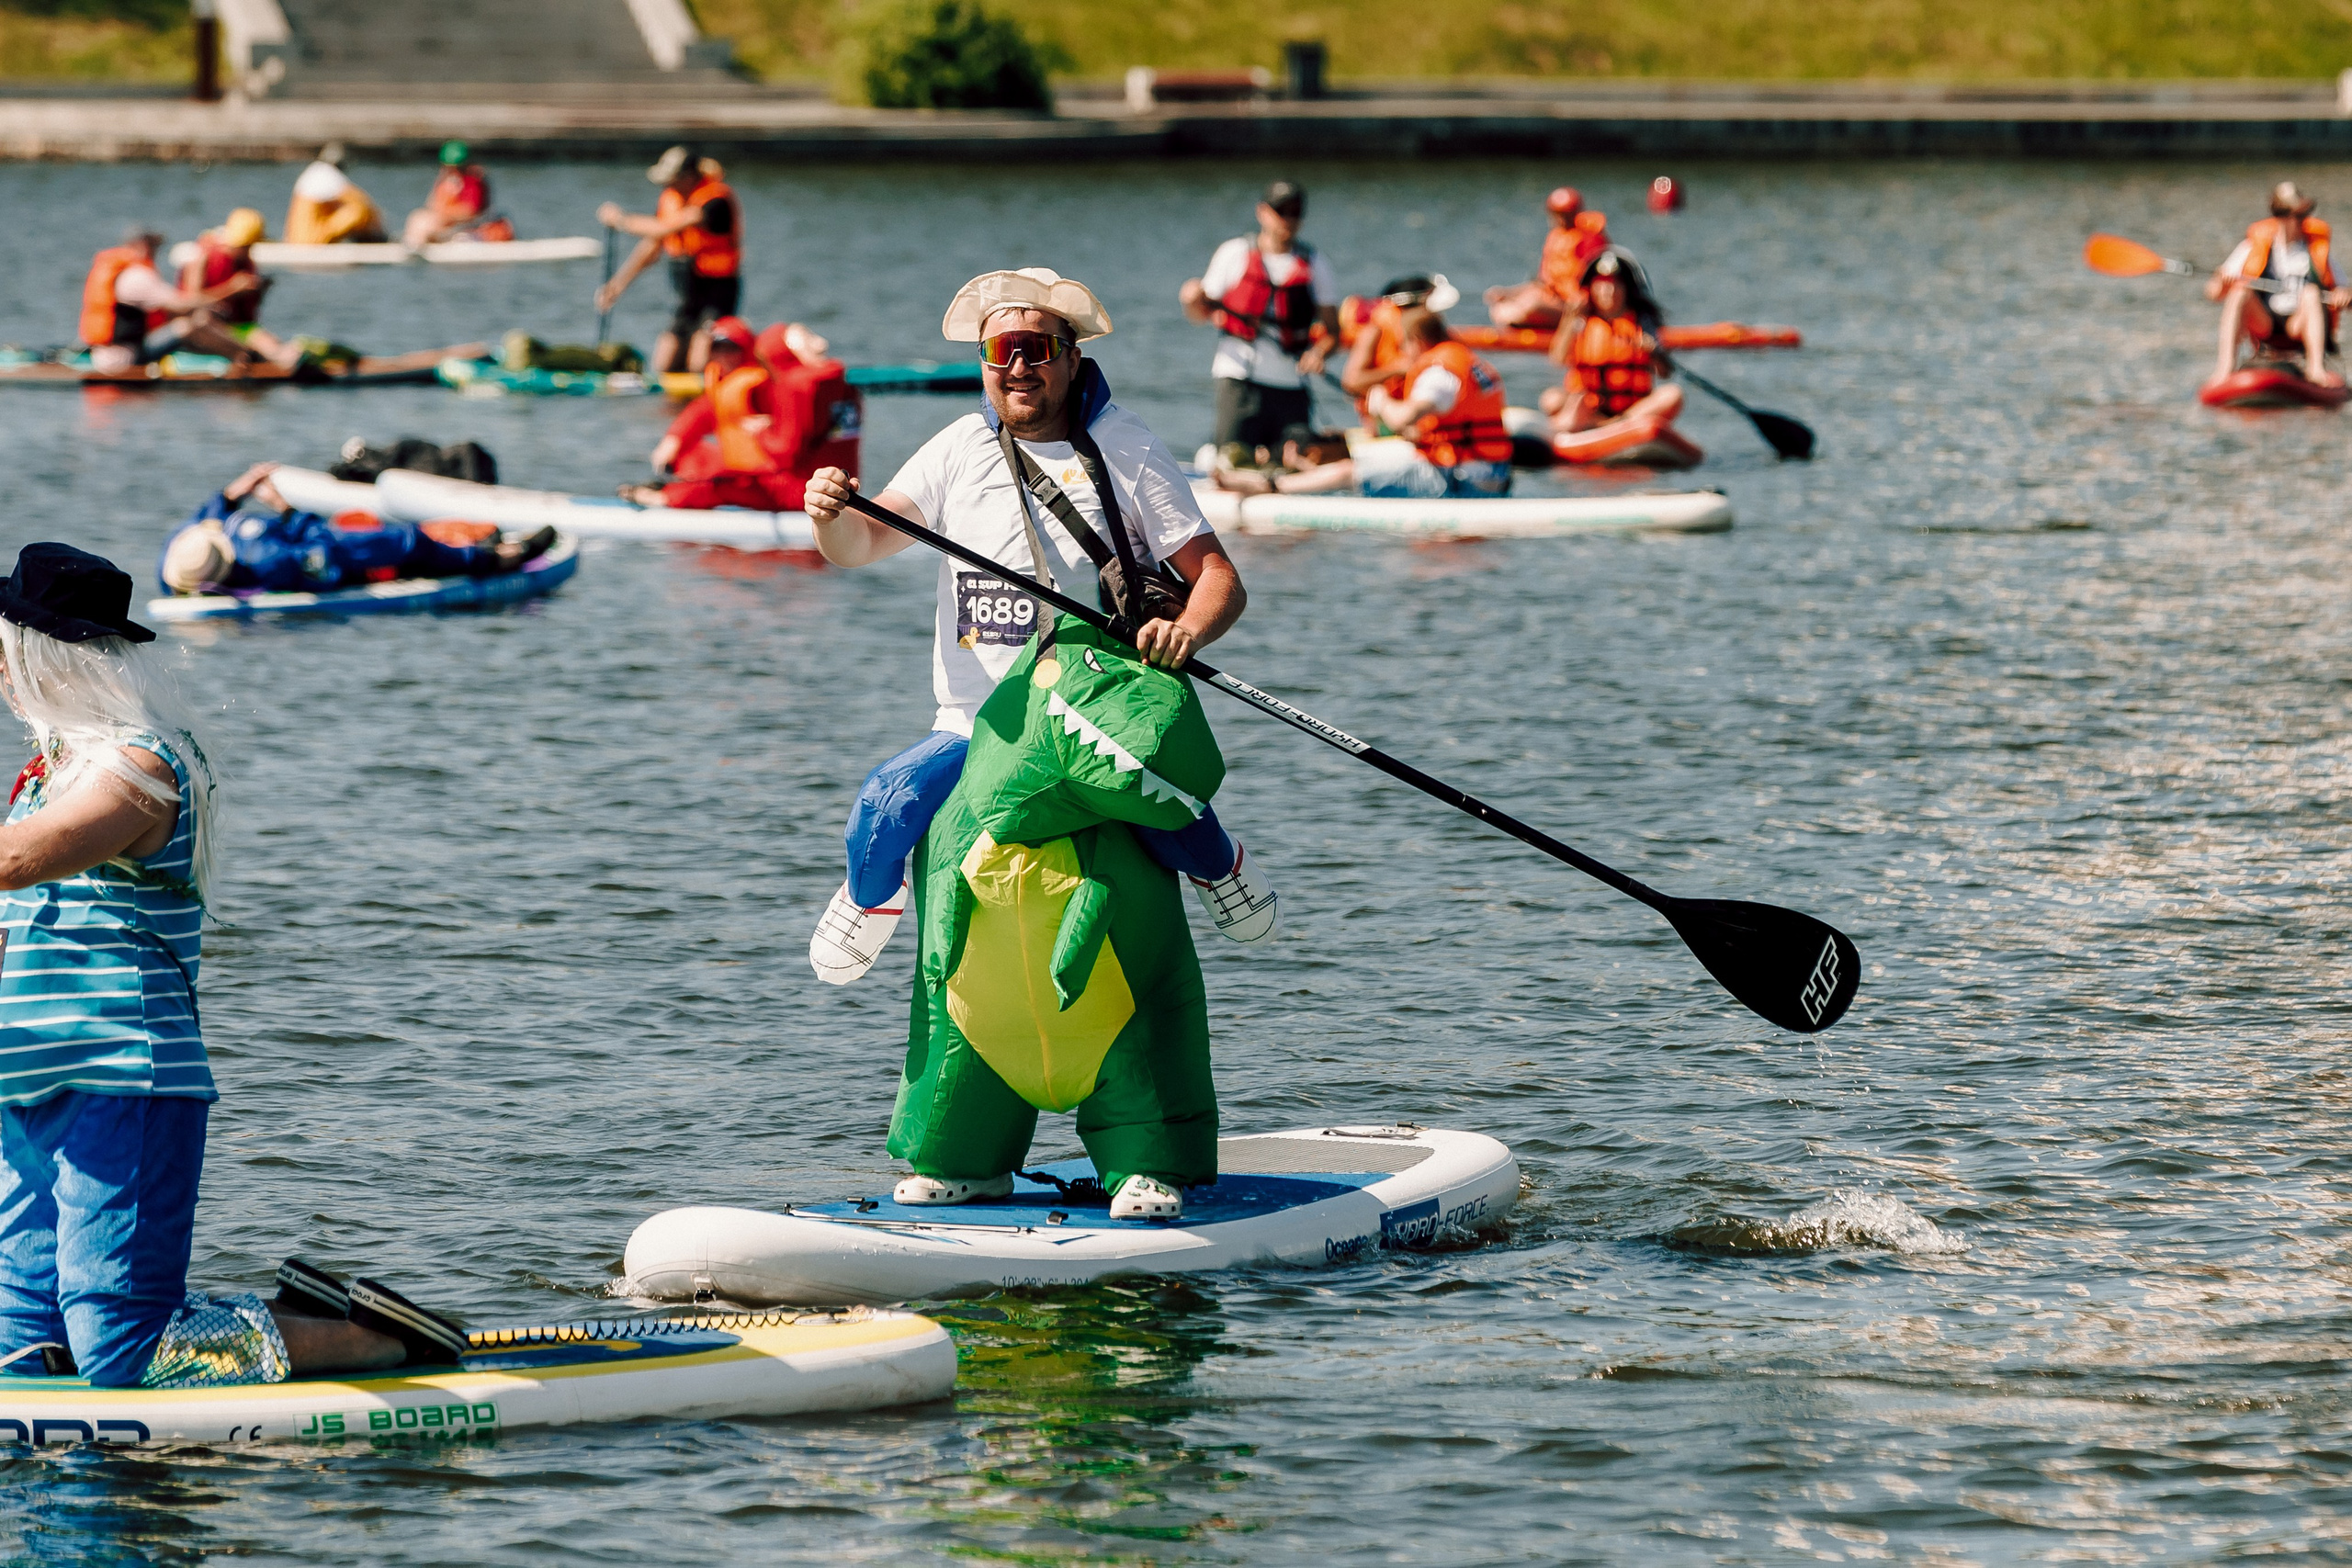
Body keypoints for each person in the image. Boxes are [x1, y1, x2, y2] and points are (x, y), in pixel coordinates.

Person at [801, 267, 1276, 1219]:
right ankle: (961, 1145)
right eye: (1000, 351)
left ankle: (1151, 1151)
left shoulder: (1126, 450)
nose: (1017, 366)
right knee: (954, 955)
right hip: (977, 743)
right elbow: (860, 548)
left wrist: (1187, 631)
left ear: (1069, 360)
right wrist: (828, 515)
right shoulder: (951, 450)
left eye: (1038, 349)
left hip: (1088, 733)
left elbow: (1216, 578)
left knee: (1128, 965)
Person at [0, 542, 469, 1387]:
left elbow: (21, 860)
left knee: (119, 1345)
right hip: (27, 1077)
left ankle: (376, 1337)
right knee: (23, 1336)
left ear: (46, 657)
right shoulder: (46, 774)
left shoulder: (145, 767)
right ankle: (294, 1313)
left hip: (123, 1076)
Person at [1216, 275, 1512, 501]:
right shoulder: (1460, 358)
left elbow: (1402, 416)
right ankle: (1288, 468)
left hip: (1458, 470)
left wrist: (1383, 401)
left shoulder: (1439, 369)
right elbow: (1353, 382)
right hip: (1468, 461)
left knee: (1351, 468)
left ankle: (1271, 485)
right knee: (1338, 454)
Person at [158, 463, 554, 596]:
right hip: (333, 558)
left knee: (366, 525)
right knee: (406, 540)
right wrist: (286, 509)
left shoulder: (182, 557)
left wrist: (235, 491)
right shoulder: (270, 562)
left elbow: (204, 518)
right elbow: (323, 554)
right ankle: (495, 559)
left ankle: (475, 540)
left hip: (309, 542)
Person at [1179, 180, 1340, 456]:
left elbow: (1334, 333)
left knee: (1292, 464)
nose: (1288, 219)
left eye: (1295, 212)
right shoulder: (1234, 253)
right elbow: (1199, 314)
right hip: (1240, 380)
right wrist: (1190, 299)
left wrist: (1318, 353)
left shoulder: (1315, 264)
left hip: (1291, 385)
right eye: (1281, 211)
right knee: (1232, 458)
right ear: (1262, 212)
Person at [595, 145, 742, 376]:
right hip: (687, 291)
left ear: (689, 177)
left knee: (698, 359)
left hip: (718, 290)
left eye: (671, 180)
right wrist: (617, 285)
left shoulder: (715, 201)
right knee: (665, 361)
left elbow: (663, 229)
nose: (665, 186)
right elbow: (652, 247)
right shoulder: (670, 199)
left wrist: (621, 219)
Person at [76, 226, 294, 376]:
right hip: (125, 359)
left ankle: (248, 353)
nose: (156, 251)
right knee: (189, 326)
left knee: (195, 321)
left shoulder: (122, 272)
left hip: (112, 352)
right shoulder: (137, 277)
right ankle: (248, 356)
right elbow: (181, 304)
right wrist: (228, 293)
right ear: (141, 246)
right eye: (153, 245)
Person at [2207, 180, 2350, 387]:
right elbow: (2213, 293)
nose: (2303, 221)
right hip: (2266, 324)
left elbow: (2344, 290)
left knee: (2311, 293)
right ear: (2280, 216)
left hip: (2298, 325)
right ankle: (2224, 369)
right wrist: (2222, 283)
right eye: (2297, 215)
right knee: (2240, 291)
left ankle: (2315, 369)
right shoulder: (2252, 247)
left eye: (2305, 214)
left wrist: (2343, 295)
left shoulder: (2315, 248)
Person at [1542, 249, 1686, 438]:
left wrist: (1653, 353)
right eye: (1601, 285)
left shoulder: (1643, 322)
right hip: (1590, 407)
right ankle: (1590, 425)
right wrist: (1570, 318)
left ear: (1627, 290)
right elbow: (1558, 359)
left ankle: (1614, 426)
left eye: (1615, 285)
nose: (1607, 292)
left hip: (1633, 409)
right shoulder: (1580, 321)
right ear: (1590, 289)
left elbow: (1665, 372)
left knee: (1672, 395)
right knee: (1551, 399)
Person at [172, 209, 303, 372]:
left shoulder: (245, 261)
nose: (249, 251)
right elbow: (190, 300)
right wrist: (232, 289)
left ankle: (285, 359)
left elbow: (247, 314)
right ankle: (251, 355)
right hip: (201, 325)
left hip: (232, 325)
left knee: (272, 345)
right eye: (246, 246)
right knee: (201, 320)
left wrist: (259, 290)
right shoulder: (204, 255)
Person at [1484, 186, 1611, 332]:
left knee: (1531, 306)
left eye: (1566, 214)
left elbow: (1596, 281)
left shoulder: (1590, 238)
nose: (1560, 218)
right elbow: (1542, 282)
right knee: (1500, 306)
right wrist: (1508, 293)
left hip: (1577, 307)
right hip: (1554, 298)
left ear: (1576, 212)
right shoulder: (1556, 237)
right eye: (1556, 213)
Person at [401, 141, 509, 249]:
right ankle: (413, 246)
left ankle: (415, 247)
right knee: (418, 218)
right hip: (449, 227)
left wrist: (445, 216)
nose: (451, 170)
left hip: (470, 228)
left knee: (424, 222)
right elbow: (433, 205)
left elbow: (470, 210)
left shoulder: (473, 181)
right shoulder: (447, 180)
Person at [283, 144, 386, 246]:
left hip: (298, 237)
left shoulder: (315, 171)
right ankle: (372, 240)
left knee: (340, 208)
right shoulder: (326, 173)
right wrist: (377, 225)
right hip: (310, 239)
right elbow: (360, 201)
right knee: (359, 211)